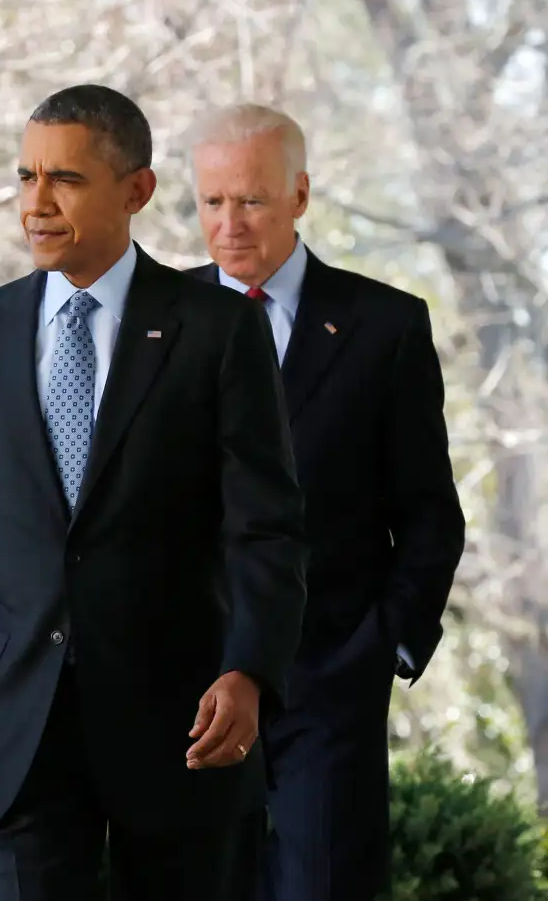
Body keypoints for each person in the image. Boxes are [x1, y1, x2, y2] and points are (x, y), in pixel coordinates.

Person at [0, 85, 307, 901]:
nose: (38, 204)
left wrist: (250, 673)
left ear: (137, 191)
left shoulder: (219, 329)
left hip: (184, 734)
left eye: (67, 180)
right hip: (15, 740)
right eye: (26, 178)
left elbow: (266, 529)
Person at [185, 104, 465, 901]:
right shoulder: (156, 323)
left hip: (330, 683)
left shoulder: (386, 326)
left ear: (300, 195)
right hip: (187, 693)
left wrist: (383, 646)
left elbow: (428, 513)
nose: (229, 224)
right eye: (212, 202)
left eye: (253, 201)